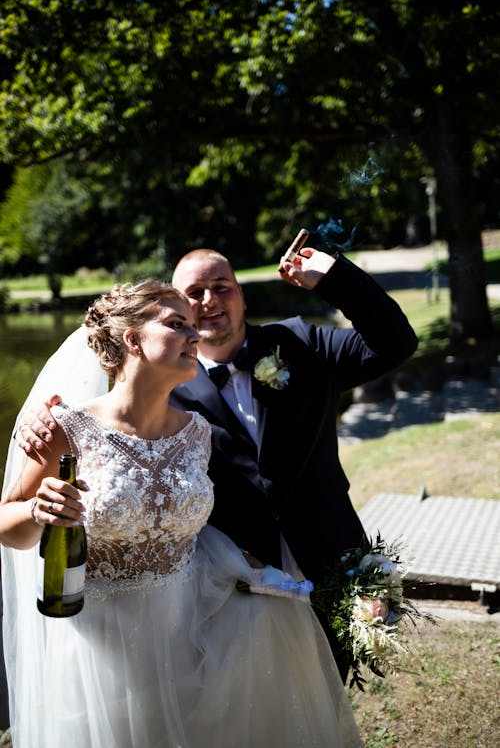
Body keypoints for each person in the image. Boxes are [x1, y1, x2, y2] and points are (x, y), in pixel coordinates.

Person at [16, 242, 418, 680]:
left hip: (329, 555)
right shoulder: (165, 384)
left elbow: (396, 343)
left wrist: (334, 278)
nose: (209, 300)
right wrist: (41, 414)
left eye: (222, 287)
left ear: (242, 296)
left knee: (326, 693)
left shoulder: (302, 342)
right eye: (195, 292)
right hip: (231, 587)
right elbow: (104, 420)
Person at [1, 280, 362, 748]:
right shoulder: (64, 429)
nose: (195, 336)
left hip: (190, 629)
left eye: (193, 327)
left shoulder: (197, 433)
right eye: (176, 325)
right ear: (131, 339)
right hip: (102, 651)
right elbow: (9, 529)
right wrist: (36, 508)